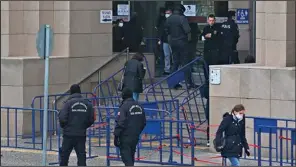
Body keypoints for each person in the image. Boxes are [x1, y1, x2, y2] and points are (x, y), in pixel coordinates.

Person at [59, 84, 95, 166]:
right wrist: (84, 126)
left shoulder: (67, 103)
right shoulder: (87, 104)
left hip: (68, 134)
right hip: (81, 134)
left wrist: (65, 126)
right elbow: (91, 119)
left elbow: (62, 118)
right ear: (80, 92)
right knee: (81, 156)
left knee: (64, 157)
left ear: (71, 92)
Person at [166, 4, 197, 89]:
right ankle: (189, 83)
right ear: (181, 10)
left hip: (173, 43)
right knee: (186, 63)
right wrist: (189, 42)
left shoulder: (169, 19)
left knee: (175, 63)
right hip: (182, 43)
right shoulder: (182, 18)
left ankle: (172, 83)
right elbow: (188, 31)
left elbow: (167, 32)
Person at [114, 87, 146, 166]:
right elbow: (143, 121)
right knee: (131, 156)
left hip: (125, 136)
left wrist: (116, 135)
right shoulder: (139, 105)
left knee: (126, 158)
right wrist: (137, 131)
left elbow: (120, 122)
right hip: (135, 135)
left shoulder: (124, 106)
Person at [158, 8, 173, 75]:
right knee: (166, 55)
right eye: (166, 13)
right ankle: (167, 69)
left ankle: (174, 69)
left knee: (173, 55)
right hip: (165, 40)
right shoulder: (164, 21)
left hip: (172, 40)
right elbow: (161, 31)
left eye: (168, 13)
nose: (167, 14)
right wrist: (160, 39)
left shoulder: (173, 21)